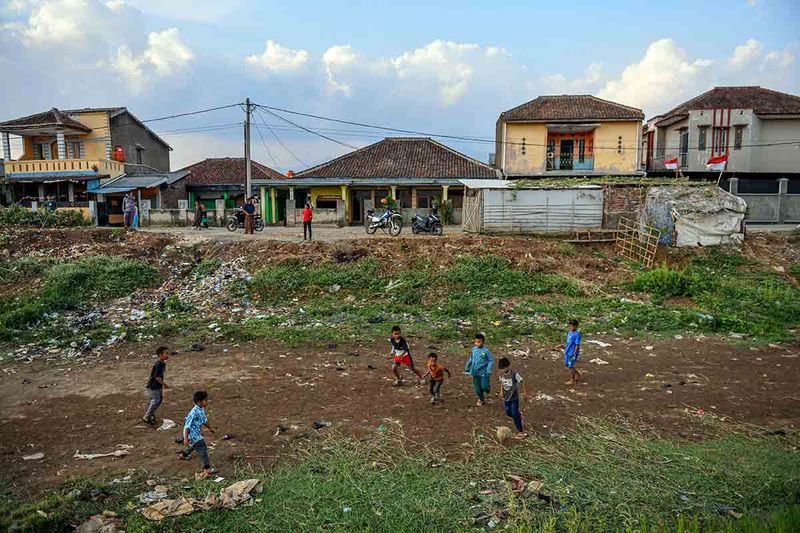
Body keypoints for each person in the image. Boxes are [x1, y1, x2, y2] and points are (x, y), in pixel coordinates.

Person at [178, 390, 216, 478]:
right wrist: (186, 438)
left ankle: (183, 455)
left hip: (194, 435)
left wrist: (210, 428)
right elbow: (187, 426)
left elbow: (204, 421)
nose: (207, 402)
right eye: (206, 400)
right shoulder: (194, 412)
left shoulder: (201, 409)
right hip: (192, 434)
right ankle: (207, 469)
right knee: (202, 448)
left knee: (194, 446)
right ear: (199, 402)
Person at [498, 357, 527, 438]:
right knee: (509, 413)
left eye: (504, 368)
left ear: (508, 366)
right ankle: (518, 415)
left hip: (514, 398)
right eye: (501, 369)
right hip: (506, 398)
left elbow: (522, 381)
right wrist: (501, 391)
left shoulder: (514, 374)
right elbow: (501, 383)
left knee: (514, 413)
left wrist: (524, 393)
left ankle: (521, 432)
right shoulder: (501, 374)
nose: (503, 370)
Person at [142, 346, 170, 426]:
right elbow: (157, 377)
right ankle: (146, 417)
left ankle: (151, 414)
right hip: (153, 386)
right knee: (156, 401)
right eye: (166, 353)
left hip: (157, 386)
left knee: (159, 400)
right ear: (160, 355)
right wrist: (165, 385)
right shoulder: (158, 364)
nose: (167, 355)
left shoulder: (162, 363)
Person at [465, 333, 494, 406]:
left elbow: (491, 360)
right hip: (475, 372)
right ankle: (481, 399)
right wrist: (468, 365)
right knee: (477, 390)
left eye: (479, 342)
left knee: (484, 387)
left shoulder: (486, 351)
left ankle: (487, 387)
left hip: (484, 372)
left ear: (483, 342)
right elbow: (472, 358)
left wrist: (489, 369)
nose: (477, 343)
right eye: (476, 342)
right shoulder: (474, 349)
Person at [564, 319, 582, 386]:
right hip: (567, 351)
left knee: (570, 366)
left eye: (573, 325)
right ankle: (577, 373)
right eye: (571, 325)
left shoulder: (577, 334)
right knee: (567, 364)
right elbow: (569, 342)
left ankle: (572, 380)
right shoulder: (569, 332)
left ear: (576, 326)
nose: (572, 327)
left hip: (572, 352)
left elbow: (577, 345)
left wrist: (574, 353)